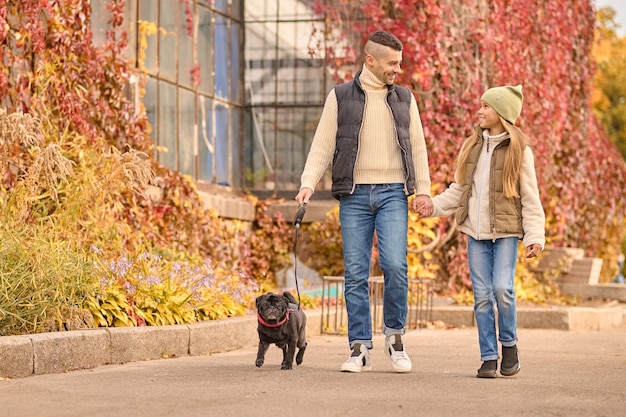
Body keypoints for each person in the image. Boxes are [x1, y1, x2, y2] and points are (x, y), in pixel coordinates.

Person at [294, 30, 432, 373]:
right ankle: (359, 347)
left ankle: (395, 337)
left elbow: (417, 146)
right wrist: (308, 183)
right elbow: (323, 144)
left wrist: (424, 189)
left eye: (399, 63)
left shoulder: (404, 98)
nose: (397, 69)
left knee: (395, 266)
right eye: (392, 63)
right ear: (370, 60)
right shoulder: (340, 96)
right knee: (355, 272)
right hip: (354, 194)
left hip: (393, 192)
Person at [417, 84, 545, 378]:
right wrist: (432, 206)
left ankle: (509, 345)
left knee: (502, 288)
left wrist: (535, 236)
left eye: (486, 106)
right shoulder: (472, 147)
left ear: (501, 113)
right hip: (475, 233)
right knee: (482, 295)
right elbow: (459, 190)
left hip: (506, 233)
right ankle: (489, 356)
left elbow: (530, 196)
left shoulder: (519, 151)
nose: (480, 110)